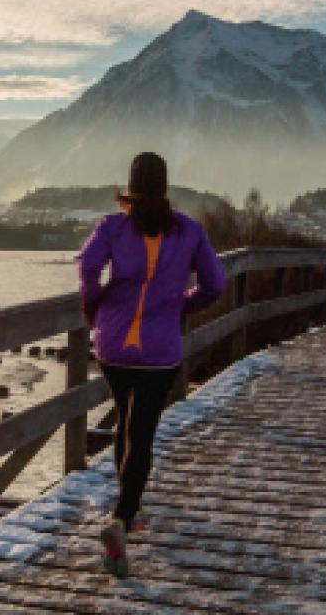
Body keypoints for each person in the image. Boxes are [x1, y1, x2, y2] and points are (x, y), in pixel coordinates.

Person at [78, 151, 226, 577]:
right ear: (165, 186)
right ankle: (122, 519)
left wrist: (94, 305)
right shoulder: (188, 231)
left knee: (125, 421)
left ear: (130, 187)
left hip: (113, 344)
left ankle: (128, 508)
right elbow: (215, 284)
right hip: (160, 349)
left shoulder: (112, 227)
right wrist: (183, 303)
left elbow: (88, 266)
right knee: (140, 430)